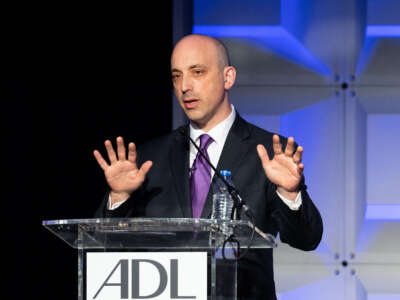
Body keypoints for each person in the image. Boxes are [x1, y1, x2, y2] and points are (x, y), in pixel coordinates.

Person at [94, 34, 323, 299]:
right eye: (176, 76)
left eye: (197, 72)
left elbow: (307, 239)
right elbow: (104, 247)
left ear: (228, 77)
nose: (184, 87)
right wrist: (120, 198)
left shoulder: (269, 154)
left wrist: (291, 194)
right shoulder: (148, 159)